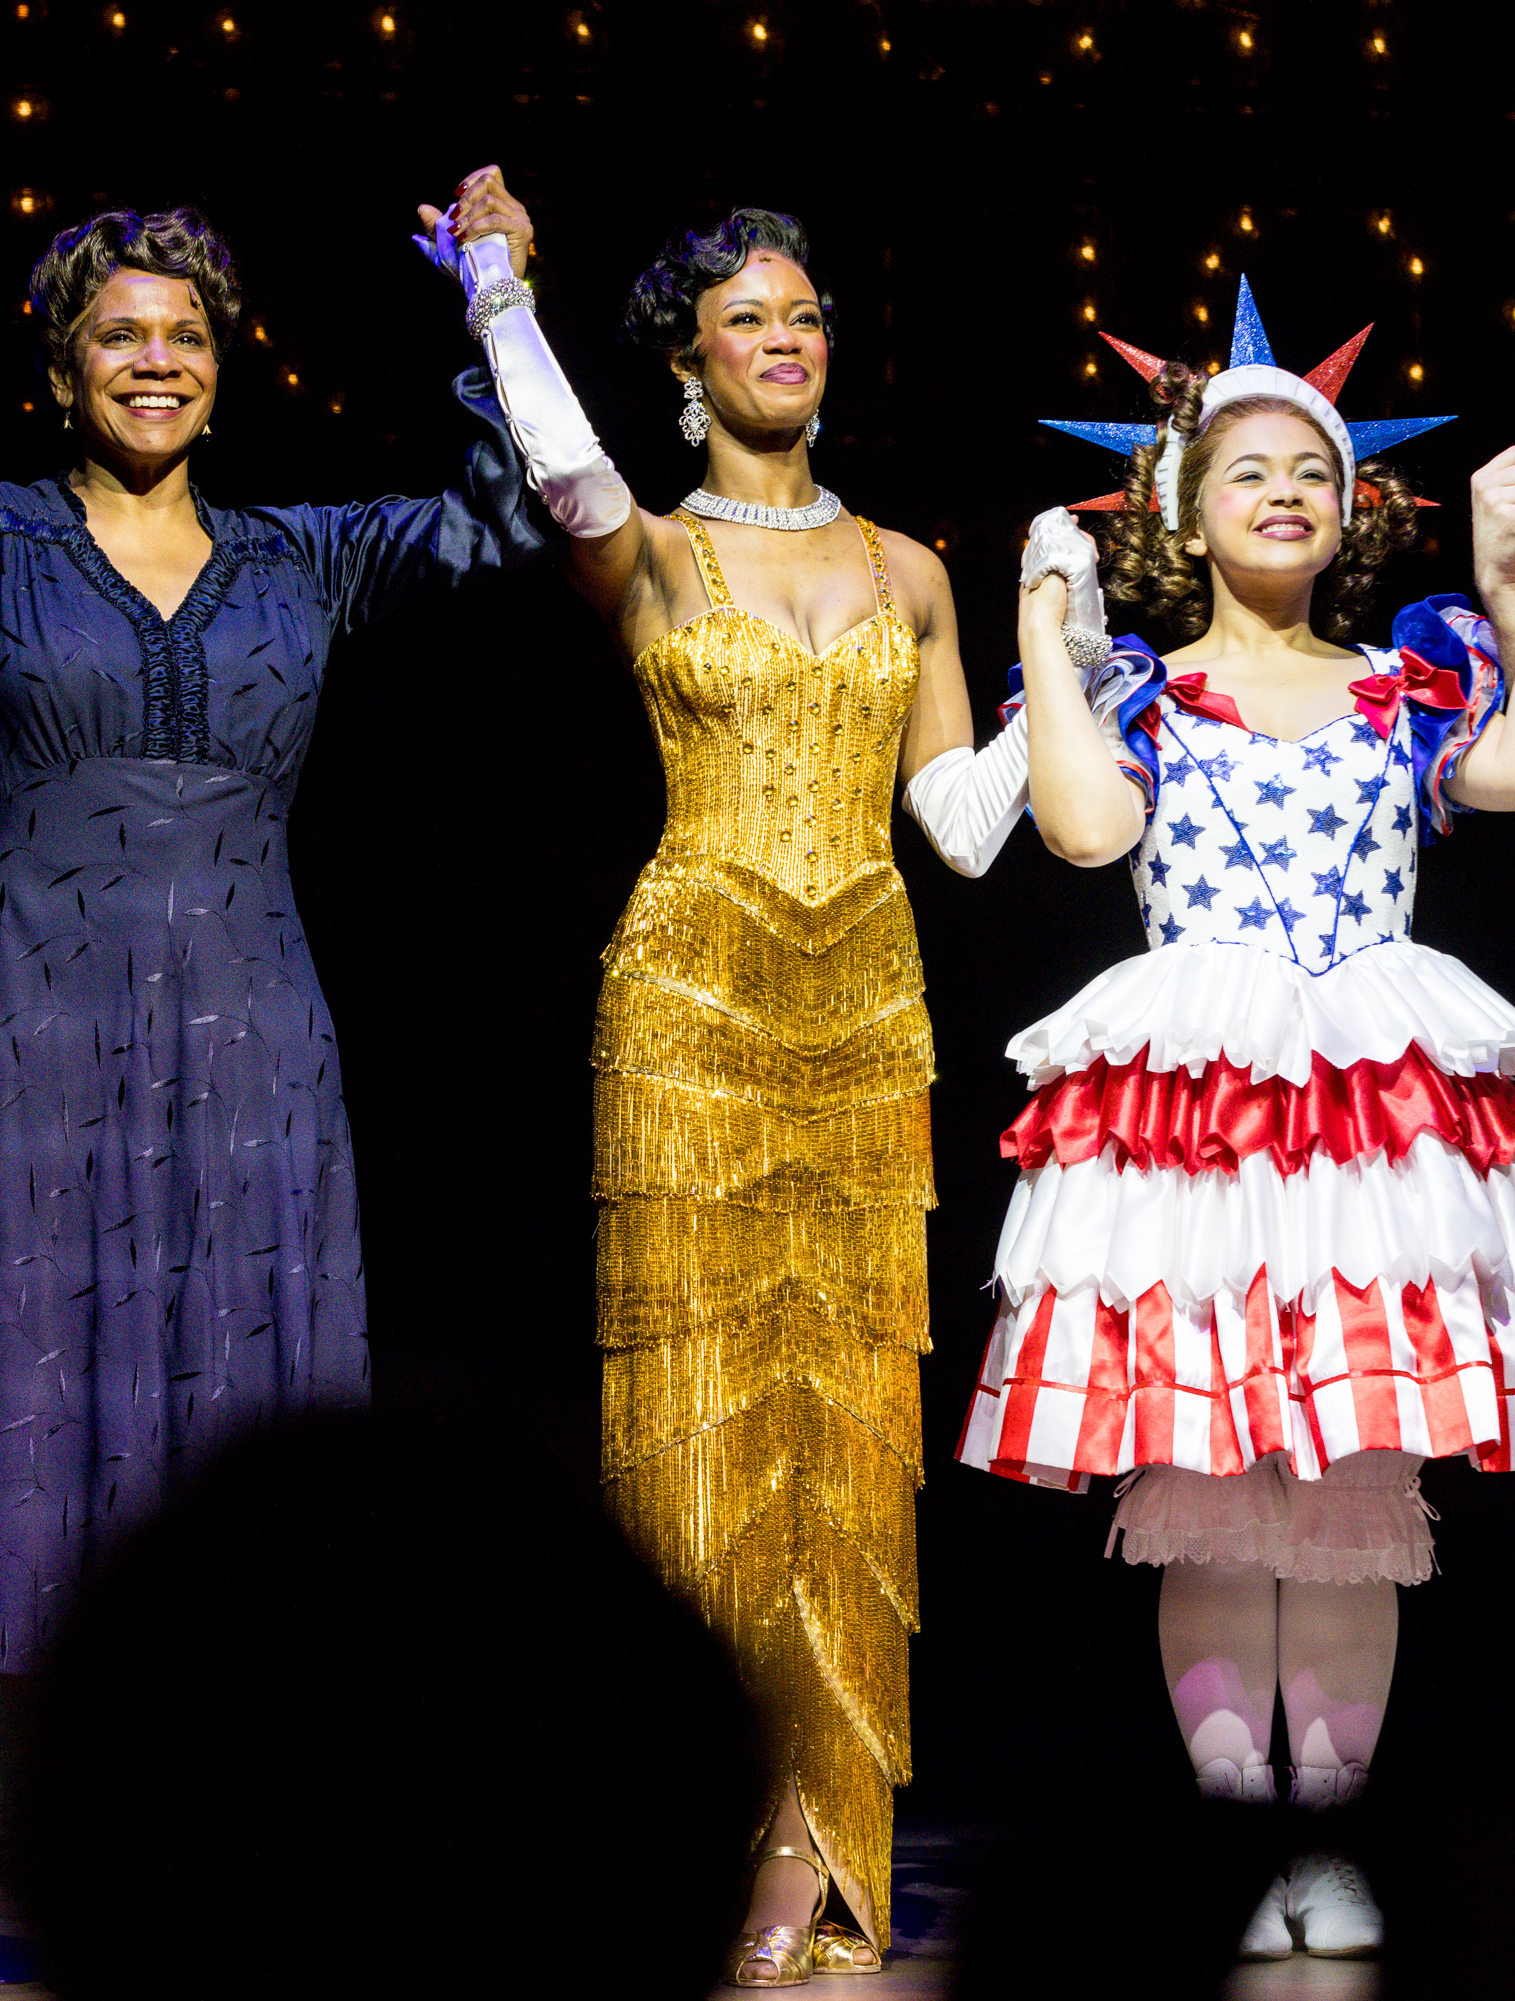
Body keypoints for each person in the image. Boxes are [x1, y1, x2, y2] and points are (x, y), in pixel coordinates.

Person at [0, 202, 552, 1678]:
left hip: (253, 1023)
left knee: (241, 1381)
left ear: (226, 370)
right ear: (57, 373)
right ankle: (99, 1802)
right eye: (119, 336)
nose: (156, 361)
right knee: (58, 1371)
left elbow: (509, 520)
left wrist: (498, 293)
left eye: (187, 336)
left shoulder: (309, 554)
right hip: (36, 1011)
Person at [409, 176, 1039, 1978]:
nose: (786, 339)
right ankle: (692, 1824)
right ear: (689, 360)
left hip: (865, 1018)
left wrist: (1066, 669)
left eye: (808, 314)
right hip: (692, 1007)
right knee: (696, 1439)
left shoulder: (907, 567)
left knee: (843, 1439)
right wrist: (500, 296)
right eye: (750, 316)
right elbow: (560, 476)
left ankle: (828, 1837)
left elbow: (964, 832)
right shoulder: (658, 548)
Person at [970, 279, 1515, 1959]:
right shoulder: (1144, 692)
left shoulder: (1412, 677)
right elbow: (1088, 834)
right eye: (1244, 471)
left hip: (1374, 1121)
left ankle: (1331, 1841)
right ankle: (1232, 1853)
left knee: (1352, 1501)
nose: (1282, 492)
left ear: (1349, 505)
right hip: (1199, 1111)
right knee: (1211, 1489)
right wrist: (1041, 614)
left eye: (1307, 470)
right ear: (1181, 509)